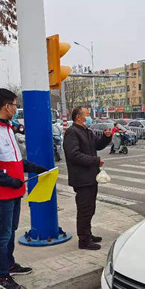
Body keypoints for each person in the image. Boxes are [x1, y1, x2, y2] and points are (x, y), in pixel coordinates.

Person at [0, 89, 47, 289]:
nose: (16, 109)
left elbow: (12, 158)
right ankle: (2, 275)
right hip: (3, 192)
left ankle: (10, 264)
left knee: (11, 229)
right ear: (7, 106)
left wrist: (31, 167)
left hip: (14, 190)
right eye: (15, 105)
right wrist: (8, 181)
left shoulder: (6, 128)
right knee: (3, 233)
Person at [63, 106, 112, 250]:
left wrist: (106, 137)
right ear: (78, 117)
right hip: (81, 178)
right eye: (87, 114)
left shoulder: (87, 132)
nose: (89, 117)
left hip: (91, 177)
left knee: (90, 209)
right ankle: (83, 241)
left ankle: (88, 234)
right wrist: (95, 160)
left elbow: (97, 145)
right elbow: (74, 155)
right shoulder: (72, 133)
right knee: (84, 210)